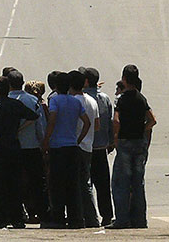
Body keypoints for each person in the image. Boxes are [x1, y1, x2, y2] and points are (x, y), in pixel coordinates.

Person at [0, 75, 39, 229]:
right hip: (15, 149)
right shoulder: (15, 104)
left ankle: (1, 218)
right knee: (15, 185)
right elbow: (33, 116)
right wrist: (18, 129)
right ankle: (17, 218)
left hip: (1, 150)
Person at [108, 65, 156, 229]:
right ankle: (140, 219)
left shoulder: (121, 99)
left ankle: (122, 219)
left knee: (121, 182)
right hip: (139, 143)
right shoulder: (141, 98)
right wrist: (141, 128)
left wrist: (115, 138)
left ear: (124, 79)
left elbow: (116, 120)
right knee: (137, 182)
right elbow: (152, 120)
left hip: (126, 142)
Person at [42, 72, 90, 229]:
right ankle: (76, 218)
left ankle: (59, 218)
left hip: (58, 147)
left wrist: (46, 140)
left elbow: (53, 119)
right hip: (72, 147)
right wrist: (78, 139)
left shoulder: (55, 100)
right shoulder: (75, 102)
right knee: (73, 184)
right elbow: (87, 123)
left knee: (57, 184)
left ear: (56, 86)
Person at [7, 71, 49, 225]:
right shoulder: (32, 100)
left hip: (13, 148)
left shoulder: (5, 100)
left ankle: (18, 216)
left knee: (15, 183)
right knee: (37, 183)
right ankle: (43, 215)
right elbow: (40, 126)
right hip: (32, 147)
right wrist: (43, 144)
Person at [82, 67, 115, 227]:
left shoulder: (82, 98)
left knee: (85, 183)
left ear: (86, 81)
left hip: (86, 146)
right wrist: (111, 141)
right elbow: (109, 121)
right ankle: (107, 215)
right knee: (103, 185)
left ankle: (89, 215)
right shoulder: (104, 98)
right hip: (102, 146)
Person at [68, 70, 100, 228]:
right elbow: (97, 125)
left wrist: (78, 139)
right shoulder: (92, 101)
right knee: (84, 182)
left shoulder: (73, 101)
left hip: (77, 145)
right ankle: (89, 217)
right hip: (89, 146)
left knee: (79, 184)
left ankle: (87, 217)